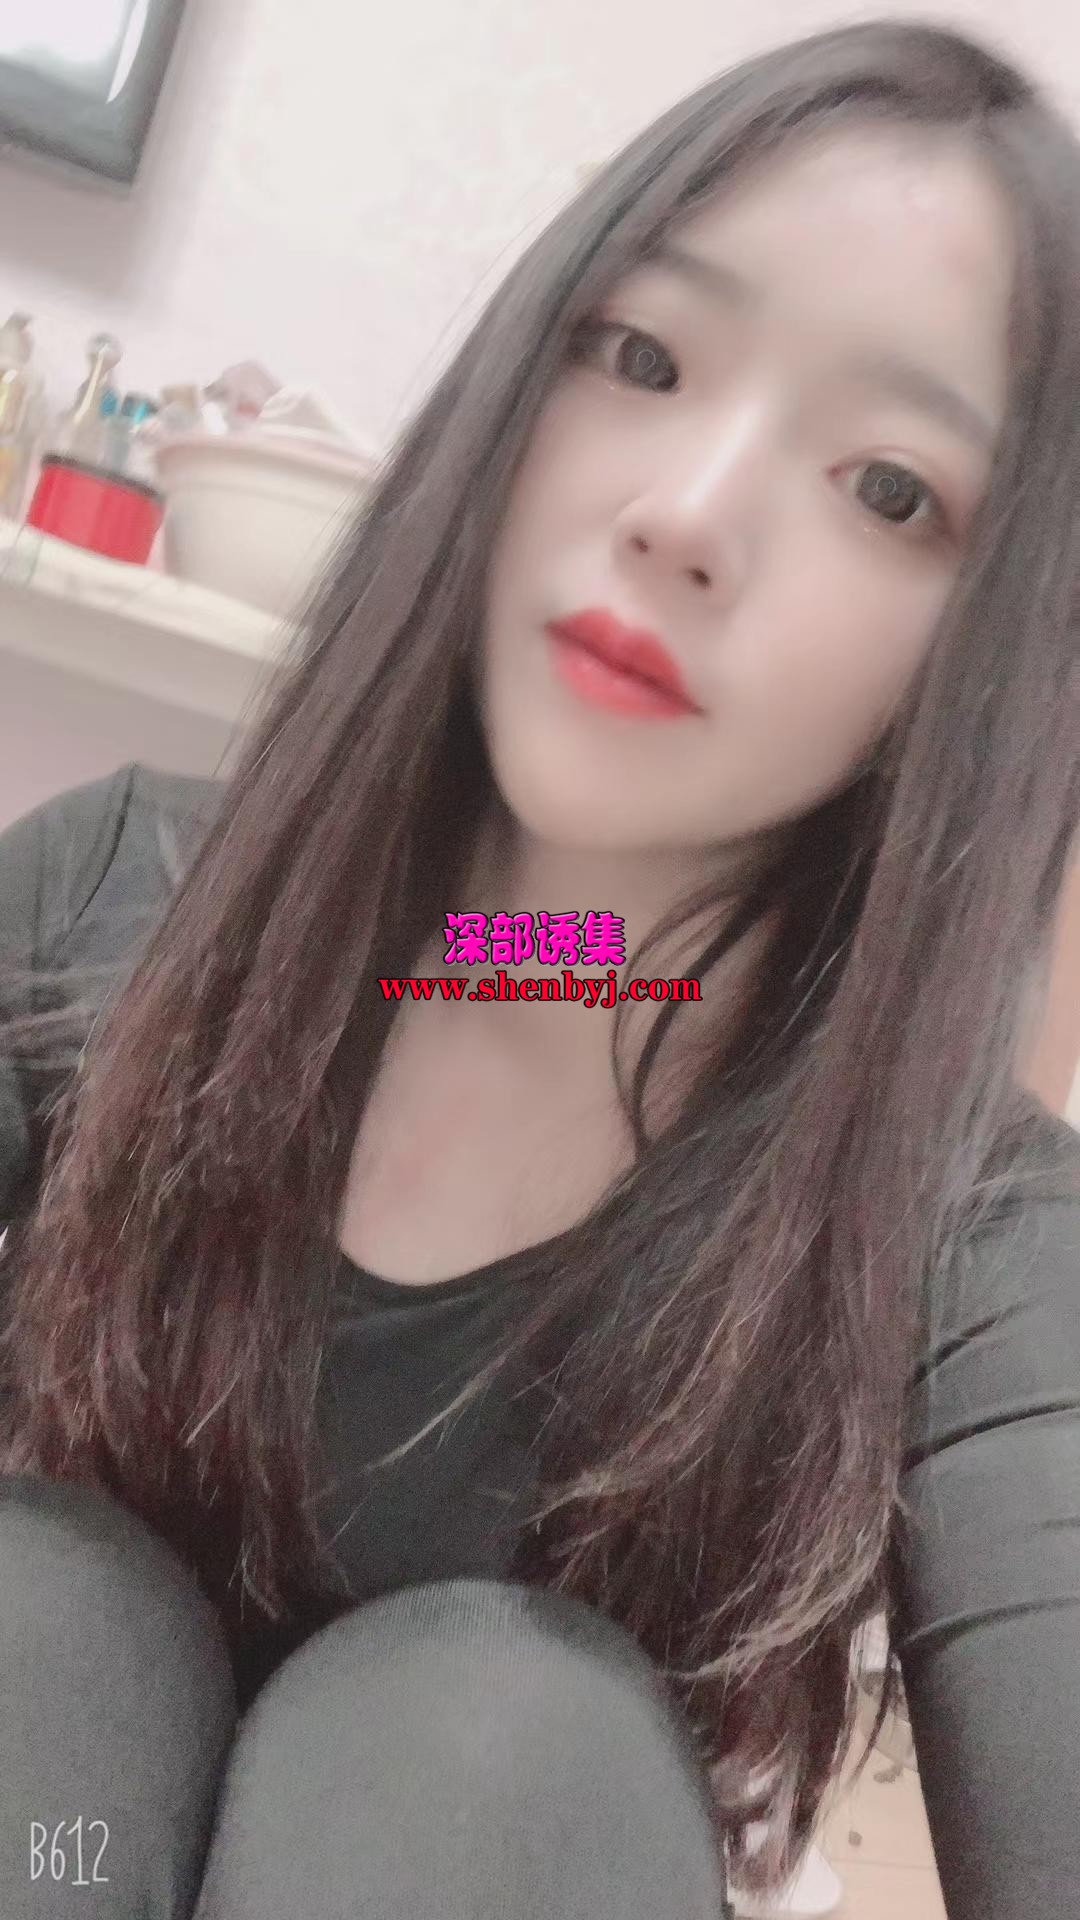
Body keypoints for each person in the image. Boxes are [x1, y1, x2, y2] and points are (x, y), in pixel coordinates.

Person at [1, 15, 1079, 1920]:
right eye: (644, 358)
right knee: (41, 1614)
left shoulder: (964, 1235)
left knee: (495, 1747)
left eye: (890, 488)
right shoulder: (124, 906)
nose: (690, 516)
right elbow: (509, 965)